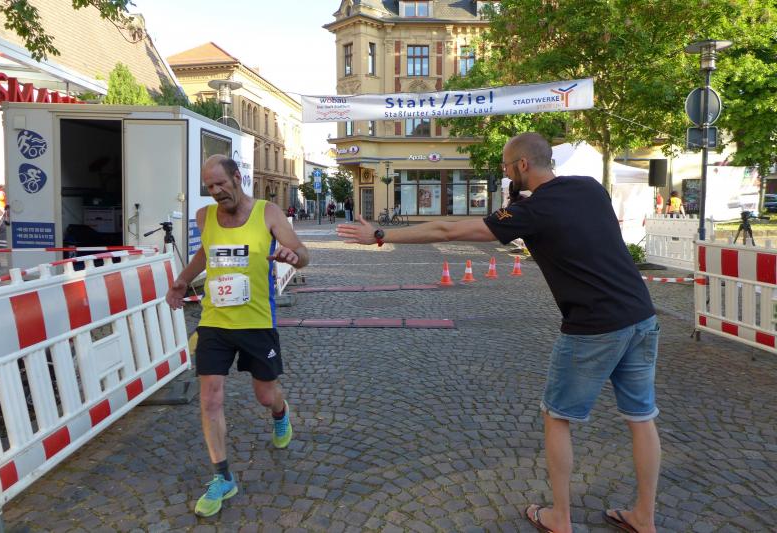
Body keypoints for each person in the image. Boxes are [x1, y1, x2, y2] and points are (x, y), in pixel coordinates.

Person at [337, 133, 660, 533]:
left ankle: (560, 517)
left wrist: (381, 235)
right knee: (641, 418)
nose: (505, 173)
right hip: (641, 315)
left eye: (506, 167)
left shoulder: (533, 212)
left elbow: (448, 231)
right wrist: (518, 205)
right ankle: (644, 517)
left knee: (557, 417)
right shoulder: (590, 187)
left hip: (593, 325)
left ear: (523, 165)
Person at [166, 154, 310, 518]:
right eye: (209, 186)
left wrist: (294, 257)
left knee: (265, 395)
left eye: (220, 184)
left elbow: (303, 253)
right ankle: (223, 476)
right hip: (215, 321)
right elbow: (206, 253)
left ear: (237, 178)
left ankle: (280, 413)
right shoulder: (205, 216)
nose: (215, 191)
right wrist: (182, 280)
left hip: (257, 321)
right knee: (210, 398)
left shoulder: (268, 213)